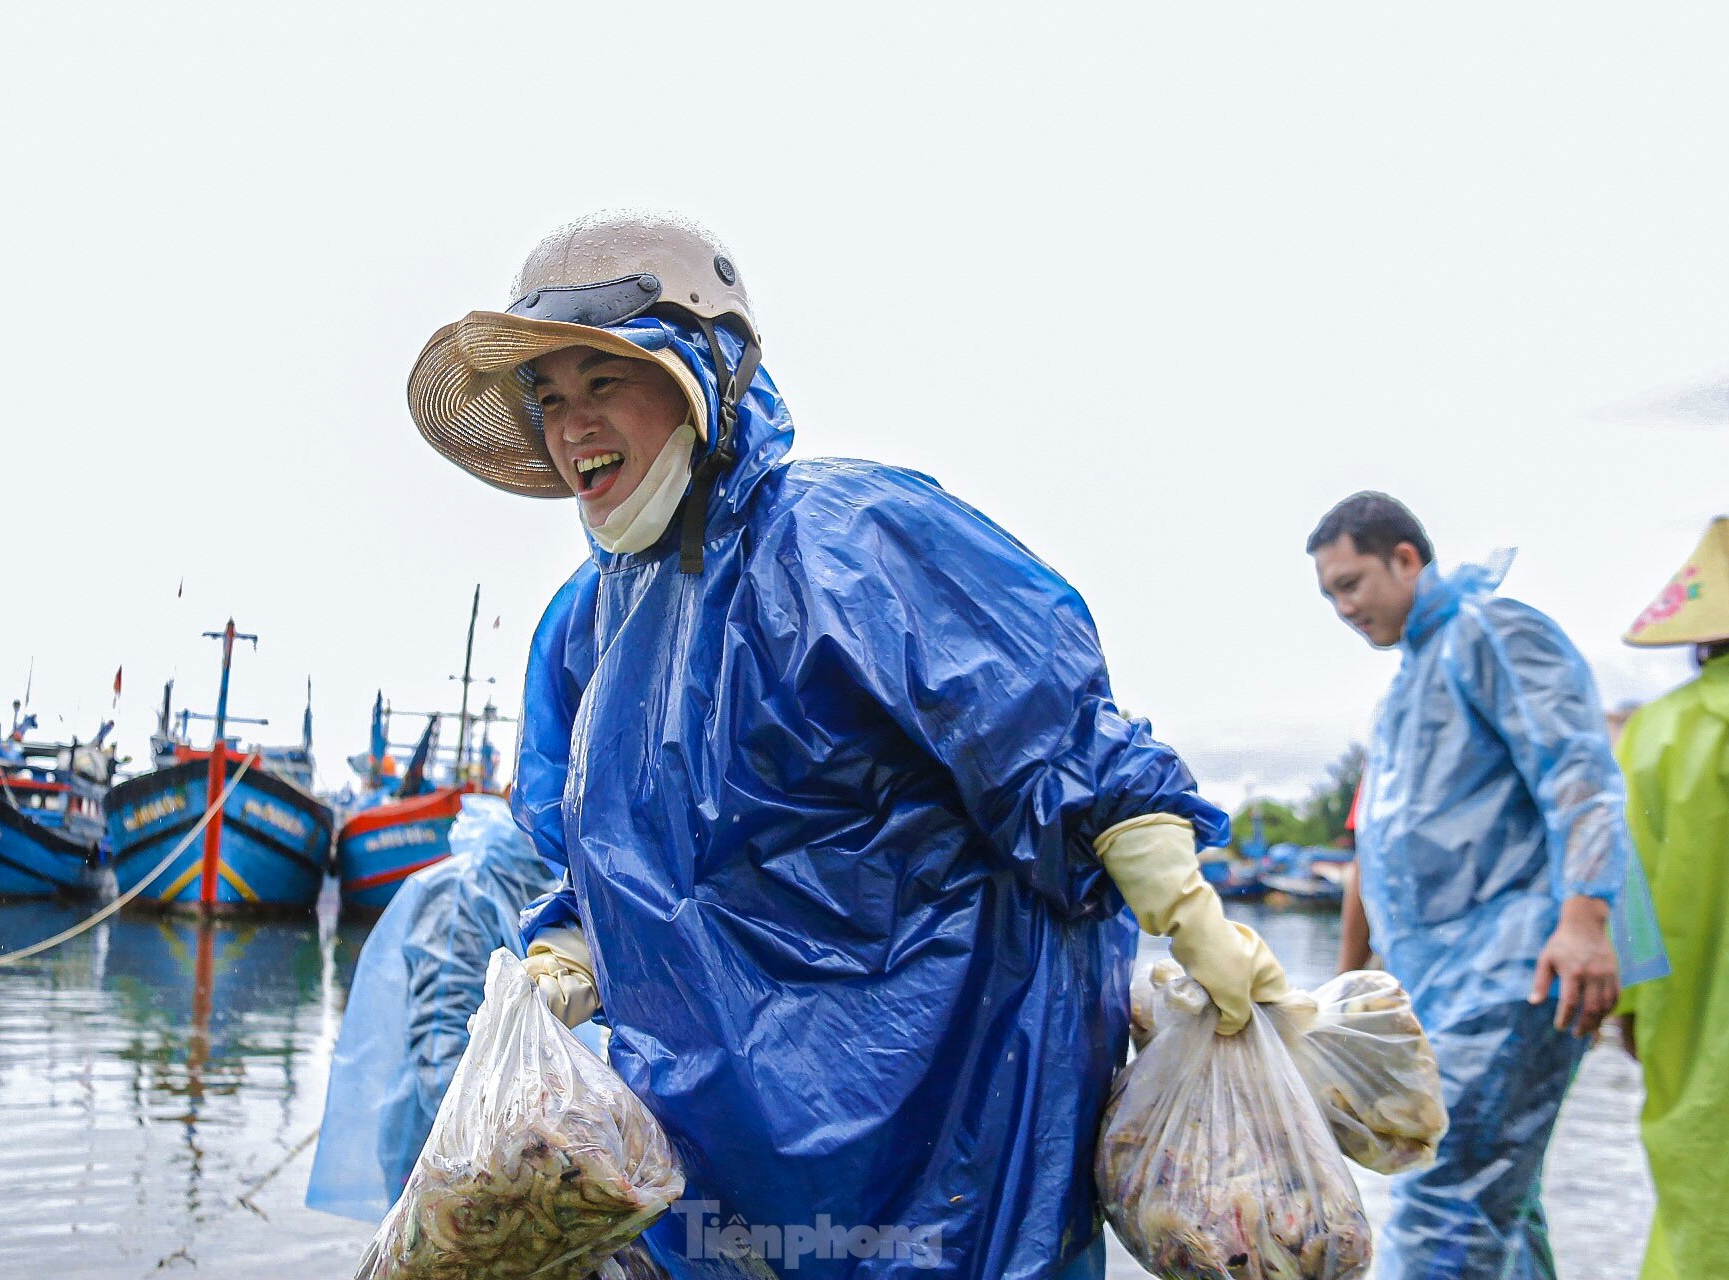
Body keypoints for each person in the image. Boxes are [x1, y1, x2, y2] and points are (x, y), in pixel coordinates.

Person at [405, 210, 1288, 1280]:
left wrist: (1189, 917)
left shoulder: (847, 543)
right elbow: (610, 874)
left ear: (701, 379)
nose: (571, 424)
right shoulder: (585, 628)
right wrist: (563, 964)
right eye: (547, 397)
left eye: (603, 381)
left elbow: (1058, 749)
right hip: (715, 1166)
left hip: (947, 1137)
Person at [1306, 491, 1664, 1280]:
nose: (1342, 607)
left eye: (1351, 582)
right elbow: (1380, 843)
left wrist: (1584, 921)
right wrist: (1355, 982)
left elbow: (1578, 772)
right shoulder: (1404, 689)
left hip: (1517, 967)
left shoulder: (1494, 633)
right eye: (1330, 594)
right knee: (1501, 1202)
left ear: (1406, 557)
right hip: (1444, 983)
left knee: (1443, 1197)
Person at [1612, 515, 1729, 1280]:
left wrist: (1631, 1011)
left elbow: (1629, 900)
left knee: (1713, 1187)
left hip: (1704, 1012)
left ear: (1703, 641)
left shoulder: (1659, 734)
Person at [305, 792, 560, 1222]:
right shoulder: (463, 893)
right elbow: (441, 1041)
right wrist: (476, 1157)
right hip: (432, 1139)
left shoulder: (545, 892)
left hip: (503, 1142)